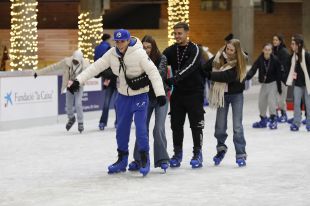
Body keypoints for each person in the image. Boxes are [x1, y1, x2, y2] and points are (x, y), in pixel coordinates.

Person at [67, 29, 166, 176]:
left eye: (122, 41)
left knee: (141, 130)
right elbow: (96, 67)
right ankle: (122, 160)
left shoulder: (139, 53)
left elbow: (153, 72)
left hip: (140, 96)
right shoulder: (112, 54)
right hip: (123, 98)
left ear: (128, 40)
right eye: (117, 41)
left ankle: (144, 159)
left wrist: (160, 94)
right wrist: (78, 81)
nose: (119, 44)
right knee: (121, 130)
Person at [163, 22, 205, 169]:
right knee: (176, 125)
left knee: (196, 125)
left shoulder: (195, 49)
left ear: (187, 33)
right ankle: (177, 154)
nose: (177, 36)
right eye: (175, 34)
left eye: (179, 33)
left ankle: (197, 153)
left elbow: (191, 66)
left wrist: (174, 79)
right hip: (178, 94)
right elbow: (160, 62)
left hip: (194, 93)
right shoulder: (170, 50)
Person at [128, 35, 170, 172]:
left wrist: (142, 78)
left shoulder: (161, 58)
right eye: (143, 47)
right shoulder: (137, 59)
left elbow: (158, 75)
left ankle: (162, 159)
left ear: (153, 47)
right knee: (142, 129)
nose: (146, 50)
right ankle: (138, 159)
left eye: (148, 47)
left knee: (158, 128)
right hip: (145, 98)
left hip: (160, 97)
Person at [203, 39, 248, 167]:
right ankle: (221, 148)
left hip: (236, 95)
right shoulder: (219, 57)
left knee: (237, 126)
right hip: (222, 95)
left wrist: (209, 75)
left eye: (231, 50)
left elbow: (227, 76)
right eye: (227, 49)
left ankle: (240, 154)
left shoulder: (241, 61)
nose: (228, 52)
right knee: (220, 126)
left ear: (237, 51)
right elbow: (205, 67)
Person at [34, 50, 89, 133]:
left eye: (77, 61)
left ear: (81, 60)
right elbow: (53, 67)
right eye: (74, 60)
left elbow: (92, 72)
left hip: (79, 86)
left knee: (78, 103)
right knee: (68, 105)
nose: (75, 62)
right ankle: (71, 118)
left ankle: (80, 122)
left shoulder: (85, 65)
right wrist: (38, 72)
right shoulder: (66, 62)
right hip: (69, 86)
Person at [246, 43, 282, 129]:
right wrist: (247, 77)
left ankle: (273, 120)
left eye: (269, 50)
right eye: (265, 50)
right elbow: (253, 69)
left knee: (271, 101)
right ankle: (263, 119)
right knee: (261, 102)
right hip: (264, 84)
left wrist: (279, 87)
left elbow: (278, 74)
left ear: (271, 51)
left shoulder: (275, 60)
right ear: (263, 50)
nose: (267, 52)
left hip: (273, 83)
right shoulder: (260, 59)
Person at [94, 33, 118, 130]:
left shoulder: (97, 48)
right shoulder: (108, 50)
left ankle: (105, 122)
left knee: (111, 103)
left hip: (111, 80)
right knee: (112, 103)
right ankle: (109, 122)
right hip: (112, 80)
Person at [286, 35, 310, 131]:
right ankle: (296, 123)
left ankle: (309, 123)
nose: (291, 45)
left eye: (293, 44)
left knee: (308, 104)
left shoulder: (307, 55)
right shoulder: (293, 56)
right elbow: (291, 69)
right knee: (296, 103)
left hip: (308, 84)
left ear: (298, 45)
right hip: (297, 84)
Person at [272, 34, 291, 122]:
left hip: (283, 79)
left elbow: (287, 66)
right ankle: (275, 114)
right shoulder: (273, 51)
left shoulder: (284, 51)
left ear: (280, 41)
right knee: (274, 97)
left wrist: (284, 77)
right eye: (273, 40)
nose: (274, 41)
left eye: (276, 40)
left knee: (282, 98)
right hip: (274, 78)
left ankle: (284, 114)